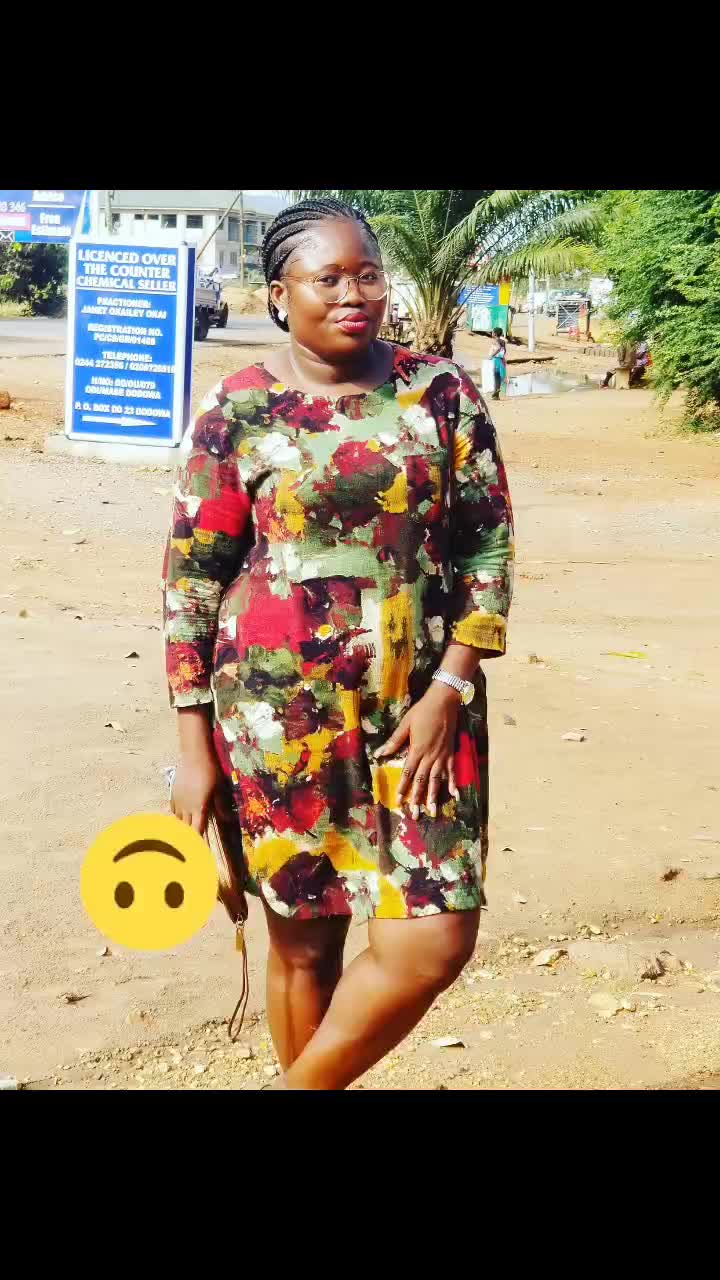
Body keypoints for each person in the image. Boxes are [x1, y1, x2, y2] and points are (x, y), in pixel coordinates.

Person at [162, 198, 514, 1090]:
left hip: (422, 712)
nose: (354, 294)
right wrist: (193, 748)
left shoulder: (442, 393)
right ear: (281, 295)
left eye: (368, 275)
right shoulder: (240, 407)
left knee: (435, 937)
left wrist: (451, 688)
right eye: (329, 278)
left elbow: (487, 547)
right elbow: (193, 580)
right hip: (279, 720)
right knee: (305, 942)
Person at [489, 326, 507, 399]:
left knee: (496, 376)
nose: (492, 333)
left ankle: (495, 393)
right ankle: (497, 394)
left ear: (495, 334)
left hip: (496, 360)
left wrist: (492, 355)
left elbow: (499, 348)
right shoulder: (503, 341)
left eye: (492, 332)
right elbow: (504, 350)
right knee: (498, 377)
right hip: (502, 360)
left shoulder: (496, 341)